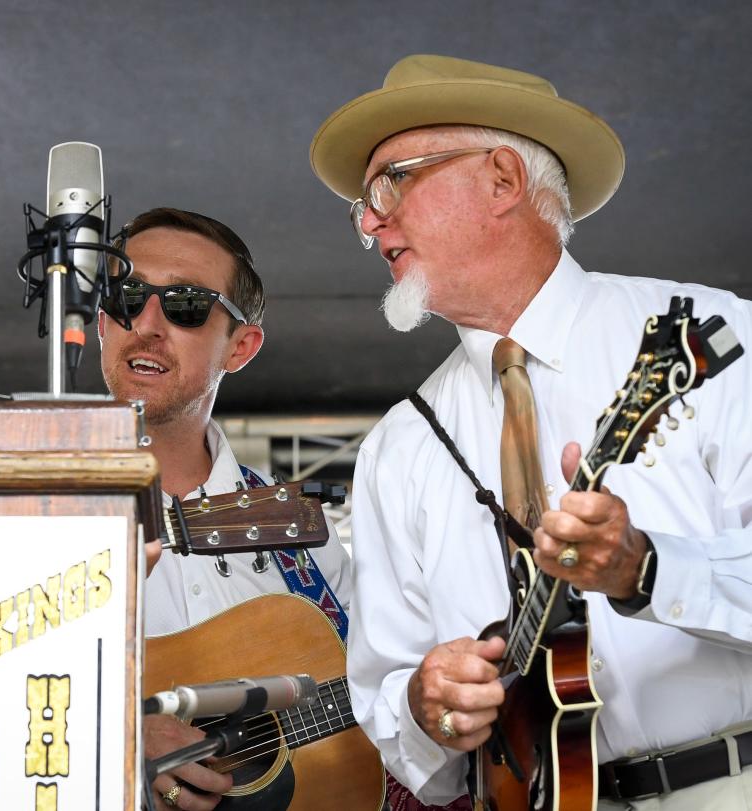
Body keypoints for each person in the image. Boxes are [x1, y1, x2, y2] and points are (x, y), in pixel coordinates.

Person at [310, 54, 752, 809]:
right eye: (362, 205)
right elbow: (389, 702)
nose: (369, 219)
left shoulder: (711, 335)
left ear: (503, 180)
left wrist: (647, 571)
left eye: (393, 181)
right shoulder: (397, 446)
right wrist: (426, 706)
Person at [97, 207, 353, 811]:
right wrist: (113, 738)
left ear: (240, 347)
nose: (148, 323)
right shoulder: (27, 513)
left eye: (185, 305)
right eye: (127, 296)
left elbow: (369, 715)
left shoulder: (299, 531)